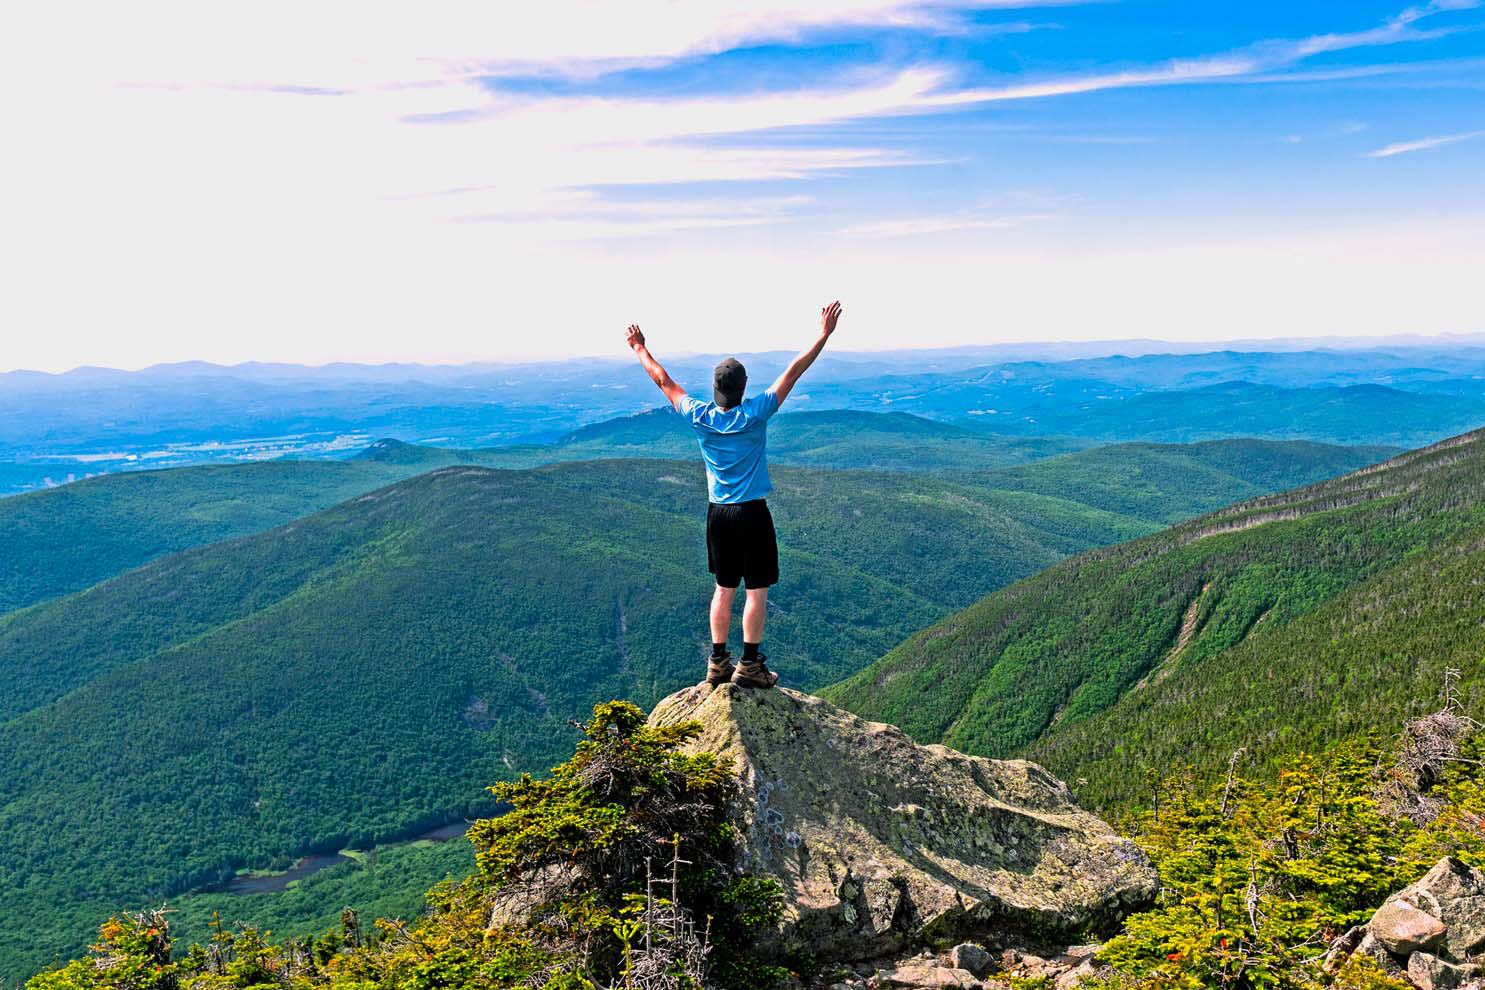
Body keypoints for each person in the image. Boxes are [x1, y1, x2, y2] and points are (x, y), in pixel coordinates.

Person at [626, 301, 843, 689]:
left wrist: (640, 347)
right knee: (756, 590)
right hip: (752, 513)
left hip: (719, 514)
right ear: (743, 389)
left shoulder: (700, 415)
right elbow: (793, 372)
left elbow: (662, 380)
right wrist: (823, 333)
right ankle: (750, 664)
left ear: (716, 389)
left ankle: (717, 661)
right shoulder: (756, 413)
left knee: (723, 589)